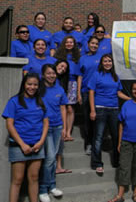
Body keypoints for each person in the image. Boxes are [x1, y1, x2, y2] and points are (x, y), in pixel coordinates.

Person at [2, 73, 49, 202]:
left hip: (37, 146)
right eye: (29, 84)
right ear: (24, 85)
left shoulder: (41, 101)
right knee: (17, 180)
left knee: (34, 178)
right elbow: (9, 125)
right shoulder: (14, 101)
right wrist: (22, 144)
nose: (32, 87)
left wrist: (41, 142)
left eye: (35, 84)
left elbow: (46, 123)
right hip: (19, 146)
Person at [88, 54, 130, 173]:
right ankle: (97, 163)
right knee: (99, 137)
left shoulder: (115, 76)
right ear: (101, 63)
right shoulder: (96, 75)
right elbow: (91, 92)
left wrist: (130, 99)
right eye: (105, 61)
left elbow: (118, 93)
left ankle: (117, 161)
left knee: (116, 136)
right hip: (100, 108)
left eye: (109, 61)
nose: (107, 63)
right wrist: (92, 110)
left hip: (114, 109)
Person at [38, 64, 68, 202]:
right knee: (49, 157)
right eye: (48, 73)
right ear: (43, 75)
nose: (51, 75)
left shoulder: (60, 89)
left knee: (53, 156)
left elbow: (63, 109)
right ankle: (43, 189)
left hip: (57, 126)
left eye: (53, 73)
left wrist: (64, 128)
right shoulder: (39, 89)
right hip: (45, 128)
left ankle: (52, 186)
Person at [77, 36, 102, 155]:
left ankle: (98, 143)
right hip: (86, 92)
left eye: (96, 44)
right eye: (92, 43)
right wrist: (78, 93)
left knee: (99, 120)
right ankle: (89, 144)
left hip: (99, 92)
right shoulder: (83, 58)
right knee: (88, 120)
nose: (94, 45)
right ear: (88, 44)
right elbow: (80, 76)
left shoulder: (102, 58)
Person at [54, 36, 81, 141]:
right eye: (67, 42)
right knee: (62, 107)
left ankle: (68, 132)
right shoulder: (58, 57)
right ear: (64, 43)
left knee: (70, 108)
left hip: (72, 83)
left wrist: (78, 91)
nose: (69, 44)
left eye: (71, 42)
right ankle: (62, 131)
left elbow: (79, 75)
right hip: (61, 82)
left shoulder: (77, 58)